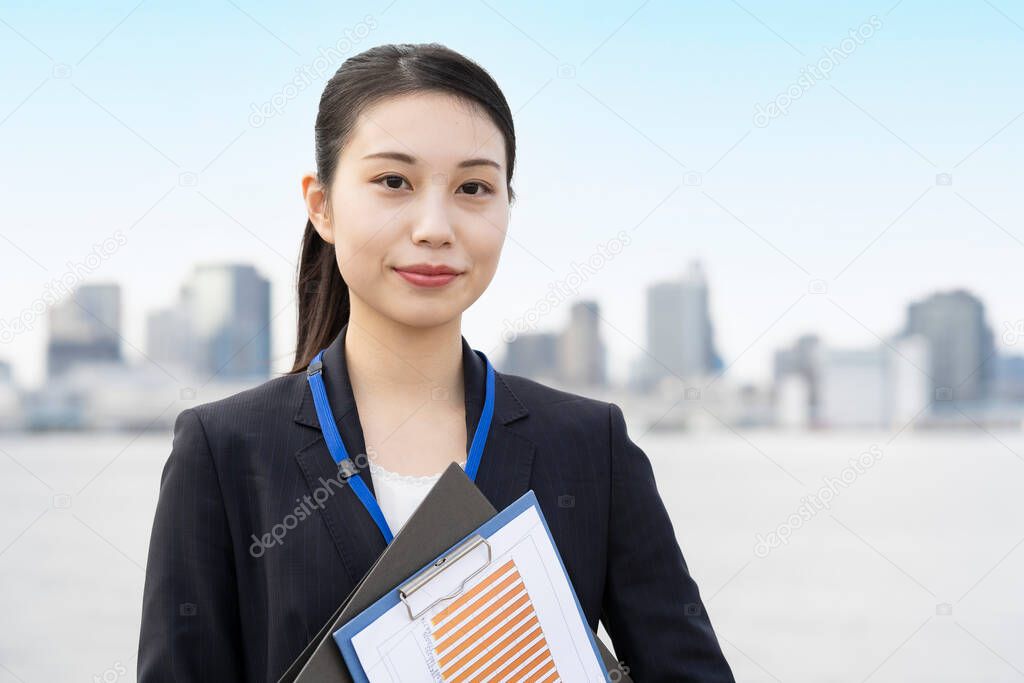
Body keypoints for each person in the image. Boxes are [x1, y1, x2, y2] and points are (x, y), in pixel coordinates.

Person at [138, 42, 734, 682]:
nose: (434, 226)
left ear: (508, 204)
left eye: (474, 187)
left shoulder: (591, 447)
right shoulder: (225, 450)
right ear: (322, 205)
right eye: (393, 181)